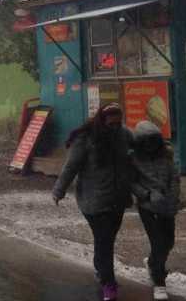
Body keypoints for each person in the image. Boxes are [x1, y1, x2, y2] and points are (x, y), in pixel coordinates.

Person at [52, 103, 135, 301]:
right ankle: (109, 284)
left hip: (117, 199)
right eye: (111, 124)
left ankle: (100, 269)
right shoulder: (86, 138)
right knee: (105, 241)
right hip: (93, 201)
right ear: (102, 120)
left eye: (118, 123)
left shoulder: (124, 135)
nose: (115, 127)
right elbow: (71, 166)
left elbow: (136, 152)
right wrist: (59, 190)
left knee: (106, 240)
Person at [130, 121, 180, 301]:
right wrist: (147, 195)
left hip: (167, 205)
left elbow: (174, 177)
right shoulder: (134, 158)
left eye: (153, 140)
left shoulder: (165, 155)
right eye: (146, 141)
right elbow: (131, 182)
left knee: (168, 242)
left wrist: (173, 197)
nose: (149, 144)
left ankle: (152, 263)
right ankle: (159, 282)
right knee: (158, 243)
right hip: (148, 207)